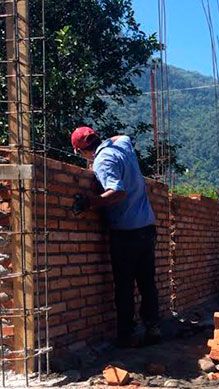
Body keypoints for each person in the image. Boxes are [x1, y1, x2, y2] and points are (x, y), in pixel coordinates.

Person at [70, 126, 160, 347]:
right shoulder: (121, 146)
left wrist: (90, 202)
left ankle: (126, 335)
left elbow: (117, 191)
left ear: (82, 151)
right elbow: (123, 136)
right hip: (147, 228)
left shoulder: (103, 161)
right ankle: (153, 328)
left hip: (126, 234)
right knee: (147, 282)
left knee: (125, 285)